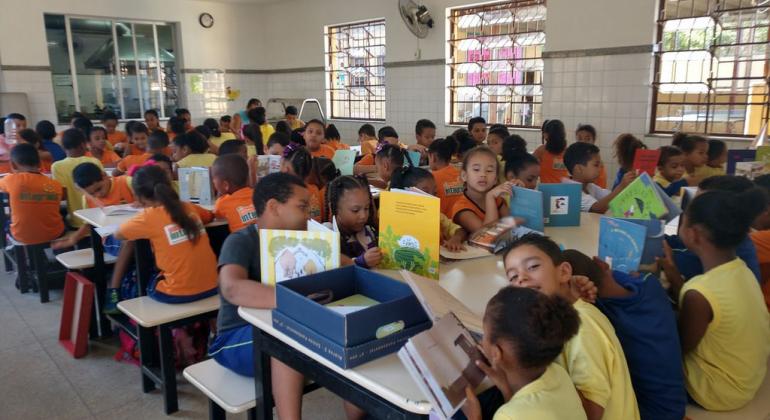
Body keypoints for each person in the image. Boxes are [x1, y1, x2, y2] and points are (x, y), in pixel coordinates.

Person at [504, 234, 640, 420]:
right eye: (513, 277)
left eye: (533, 266)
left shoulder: (583, 331)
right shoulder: (557, 318)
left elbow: (591, 413)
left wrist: (512, 384)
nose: (522, 278)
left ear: (564, 272)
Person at [660, 188, 770, 411]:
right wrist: (674, 274)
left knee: (642, 335)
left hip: (717, 392)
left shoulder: (699, 293)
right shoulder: (742, 270)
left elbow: (679, 348)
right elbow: (706, 308)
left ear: (694, 234)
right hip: (747, 379)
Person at [563, 251, 686, 420]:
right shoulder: (650, 284)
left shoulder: (603, 318)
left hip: (652, 413)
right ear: (602, 264)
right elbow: (619, 276)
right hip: (676, 402)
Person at [462, 287, 585, 420]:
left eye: (484, 334)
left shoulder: (508, 416)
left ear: (496, 353)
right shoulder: (559, 373)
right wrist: (506, 390)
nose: (481, 340)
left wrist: (475, 417)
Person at [114, 165, 217, 303]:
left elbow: (118, 234)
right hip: (213, 285)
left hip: (177, 293)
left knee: (140, 279)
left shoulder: (147, 217)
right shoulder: (188, 207)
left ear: (139, 197)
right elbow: (209, 216)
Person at [665, 175, 762, 282]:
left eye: (700, 206)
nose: (694, 208)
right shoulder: (733, 237)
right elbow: (679, 243)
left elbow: (675, 258)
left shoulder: (714, 254)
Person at [390, 166, 467, 251]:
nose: (432, 197)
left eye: (435, 193)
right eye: (425, 193)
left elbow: (459, 229)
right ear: (407, 193)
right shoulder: (391, 216)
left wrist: (456, 239)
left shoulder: (437, 216)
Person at [0, 143, 64, 245]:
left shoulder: (10, 180)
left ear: (12, 164)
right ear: (39, 164)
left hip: (21, 236)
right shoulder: (55, 184)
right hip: (55, 233)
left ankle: (11, 251)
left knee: (7, 222)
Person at [449, 147, 512, 234]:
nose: (483, 174)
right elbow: (487, 236)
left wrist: (519, 191)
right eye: (476, 169)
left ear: (495, 179)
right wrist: (490, 197)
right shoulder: (461, 208)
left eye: (489, 171)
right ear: (464, 175)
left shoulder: (498, 200)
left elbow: (512, 225)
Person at [325, 175, 382, 268]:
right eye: (355, 210)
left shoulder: (369, 232)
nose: (363, 216)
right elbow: (329, 271)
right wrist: (360, 262)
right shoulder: (325, 235)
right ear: (334, 208)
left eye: (366, 208)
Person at [52, 128, 104, 227]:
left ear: (63, 147)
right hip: (98, 220)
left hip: (76, 220)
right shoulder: (94, 161)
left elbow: (62, 195)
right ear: (83, 145)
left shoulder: (57, 166)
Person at [563, 142, 635, 213]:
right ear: (579, 169)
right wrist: (621, 186)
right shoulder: (570, 190)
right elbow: (597, 208)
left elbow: (611, 196)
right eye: (596, 165)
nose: (600, 169)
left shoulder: (589, 186)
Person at [212, 154, 256, 233]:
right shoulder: (257, 193)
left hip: (243, 243)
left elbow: (216, 216)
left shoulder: (222, 203)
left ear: (225, 185)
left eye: (214, 179)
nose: (213, 182)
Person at [429, 137, 463, 217]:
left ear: (433, 157)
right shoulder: (460, 174)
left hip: (444, 226)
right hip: (463, 223)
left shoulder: (430, 178)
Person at [533, 119, 569, 184]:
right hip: (564, 190)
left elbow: (529, 165)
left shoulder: (541, 150)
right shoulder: (567, 151)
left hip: (547, 190)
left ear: (546, 135)